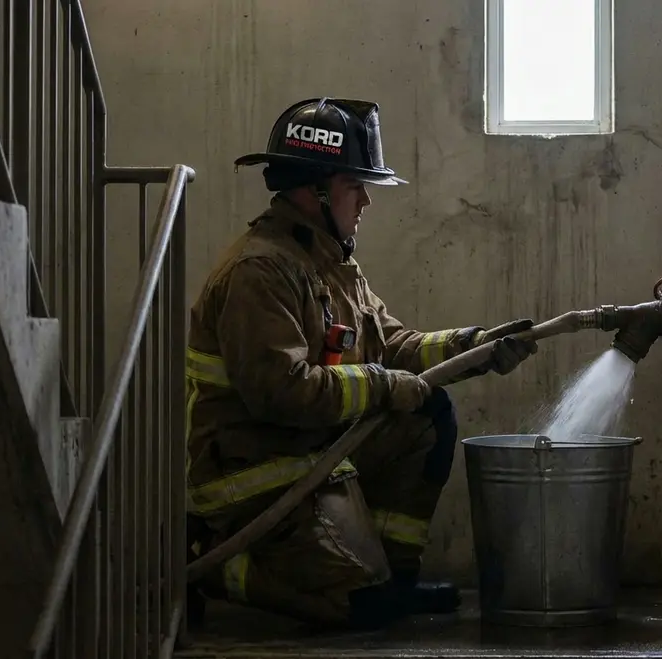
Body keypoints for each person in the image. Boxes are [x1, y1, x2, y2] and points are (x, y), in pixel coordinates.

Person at [184, 97, 538, 629]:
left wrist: (477, 345)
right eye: (356, 187)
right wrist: (379, 385)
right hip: (255, 476)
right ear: (314, 190)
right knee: (354, 608)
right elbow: (280, 391)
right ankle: (214, 564)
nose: (367, 201)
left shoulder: (329, 260)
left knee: (427, 414)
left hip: (314, 455)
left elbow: (395, 347)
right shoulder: (260, 271)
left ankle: (395, 579)